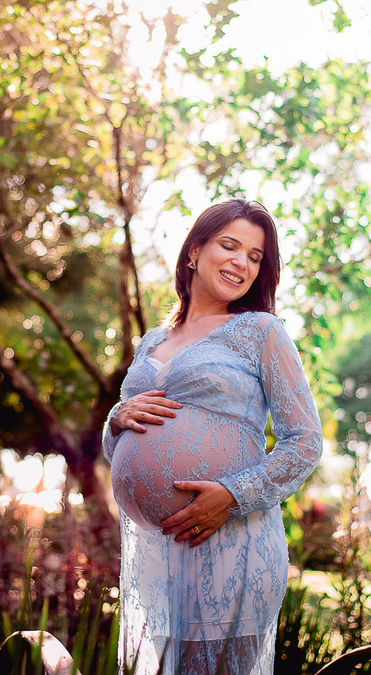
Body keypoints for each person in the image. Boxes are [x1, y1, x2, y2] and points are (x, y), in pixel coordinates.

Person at [102, 198, 323, 675]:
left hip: (232, 542)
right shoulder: (151, 342)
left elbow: (304, 441)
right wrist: (116, 419)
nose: (241, 262)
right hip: (155, 553)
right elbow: (122, 446)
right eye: (230, 246)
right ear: (193, 252)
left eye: (255, 256)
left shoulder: (261, 332)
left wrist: (231, 495)